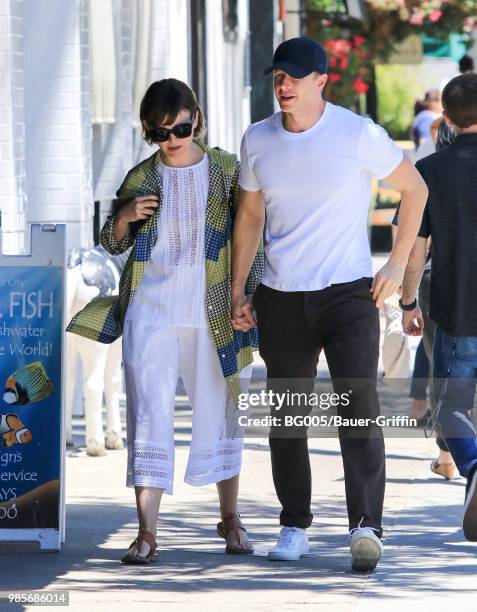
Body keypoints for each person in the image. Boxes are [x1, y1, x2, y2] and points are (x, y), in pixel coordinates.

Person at [231, 36, 428, 571]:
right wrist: (237, 288)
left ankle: (367, 526)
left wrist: (394, 265)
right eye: (278, 76)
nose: (284, 85)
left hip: (348, 295)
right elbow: (249, 216)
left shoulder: (357, 133)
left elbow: (415, 191)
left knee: (358, 413)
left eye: (295, 77)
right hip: (280, 296)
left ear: (322, 81)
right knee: (288, 419)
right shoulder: (258, 139)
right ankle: (294, 524)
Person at [67, 78, 264, 563]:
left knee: (222, 414)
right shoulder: (141, 177)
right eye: (159, 133)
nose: (171, 140)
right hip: (149, 314)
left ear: (195, 118)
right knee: (148, 416)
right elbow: (111, 244)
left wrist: (248, 299)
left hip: (213, 313)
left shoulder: (225, 171)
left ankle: (231, 517)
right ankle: (147, 532)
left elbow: (253, 235)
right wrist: (124, 217)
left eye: (178, 128)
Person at [400, 73, 477, 541]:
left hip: (454, 308)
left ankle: (471, 465)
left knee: (448, 406)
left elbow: (414, 249)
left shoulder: (430, 171)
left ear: (445, 117)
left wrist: (408, 300)